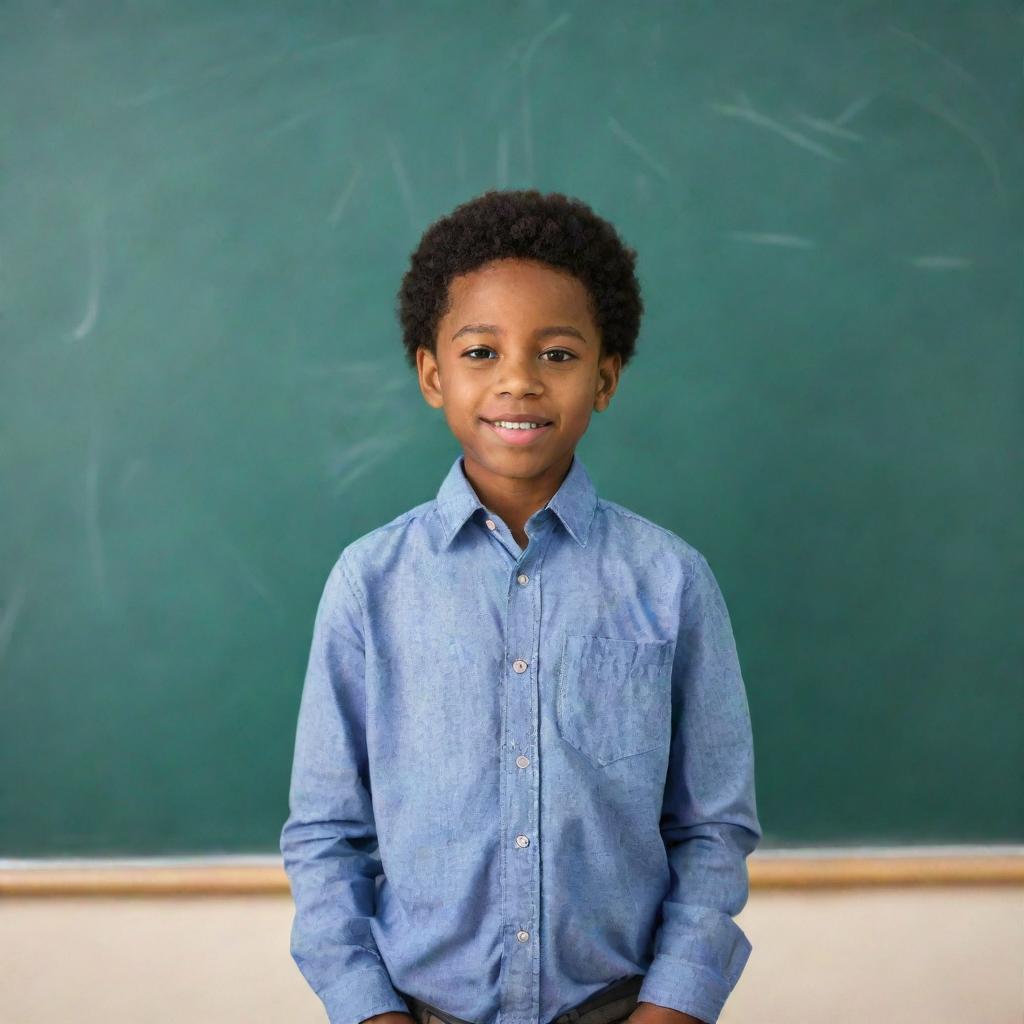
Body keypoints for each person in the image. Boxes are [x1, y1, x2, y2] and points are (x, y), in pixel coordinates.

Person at [279, 189, 762, 1024]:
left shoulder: (671, 581)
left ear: (606, 377)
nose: (518, 381)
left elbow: (713, 827)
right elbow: (327, 835)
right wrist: (368, 1008)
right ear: (433, 375)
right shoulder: (371, 583)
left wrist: (674, 1004)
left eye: (559, 355)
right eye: (480, 351)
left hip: (620, 1007)